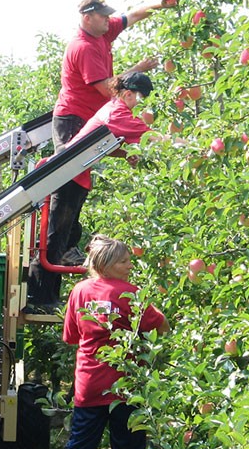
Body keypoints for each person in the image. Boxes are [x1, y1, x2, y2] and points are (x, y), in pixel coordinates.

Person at [53, 0, 175, 266]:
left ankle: (65, 247)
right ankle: (57, 253)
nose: (109, 20)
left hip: (91, 120)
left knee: (76, 188)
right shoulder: (83, 47)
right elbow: (108, 88)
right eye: (103, 16)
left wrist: (160, 3)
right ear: (87, 18)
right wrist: (137, 70)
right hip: (73, 118)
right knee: (67, 185)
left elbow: (133, 15)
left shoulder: (104, 33)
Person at [26, 72, 160, 314]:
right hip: (69, 175)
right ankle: (40, 298)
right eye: (140, 99)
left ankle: (46, 297)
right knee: (55, 239)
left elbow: (100, 146)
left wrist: (123, 154)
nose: (140, 105)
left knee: (63, 237)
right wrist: (191, 145)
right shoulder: (118, 113)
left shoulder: (111, 108)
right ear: (128, 94)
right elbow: (154, 139)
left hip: (76, 174)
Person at [50, 234, 170, 449]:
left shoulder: (79, 291)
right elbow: (162, 326)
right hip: (125, 385)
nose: (130, 266)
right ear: (104, 264)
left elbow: (72, 336)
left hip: (89, 384)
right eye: (123, 262)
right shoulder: (131, 293)